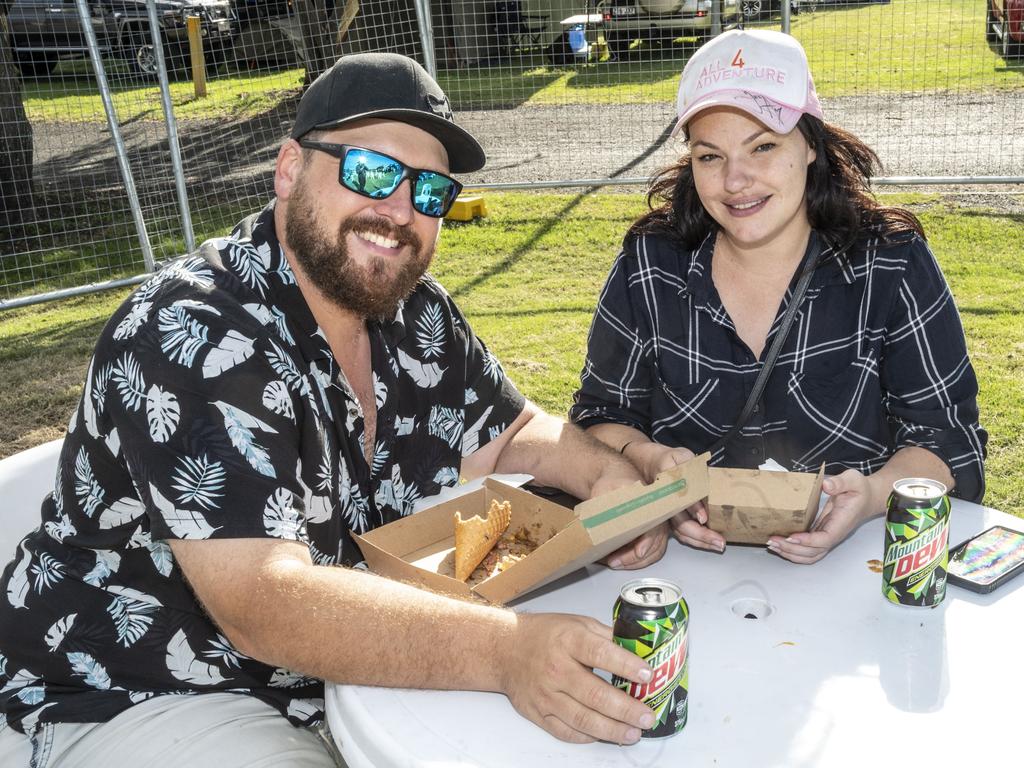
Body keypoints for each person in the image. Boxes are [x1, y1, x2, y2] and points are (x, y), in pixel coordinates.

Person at [0, 53, 676, 766]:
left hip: (328, 677)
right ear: (290, 168)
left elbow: (512, 433)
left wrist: (608, 479)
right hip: (132, 693)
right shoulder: (192, 331)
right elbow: (267, 603)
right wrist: (511, 653)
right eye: (372, 172)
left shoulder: (417, 314)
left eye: (430, 190)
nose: (399, 210)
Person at [570, 29, 986, 565]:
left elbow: (948, 444)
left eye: (763, 146)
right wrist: (648, 463)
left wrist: (871, 497)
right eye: (709, 156)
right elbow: (600, 418)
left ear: (810, 144)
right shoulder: (651, 265)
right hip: (684, 573)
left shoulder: (892, 265)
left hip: (855, 567)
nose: (736, 181)